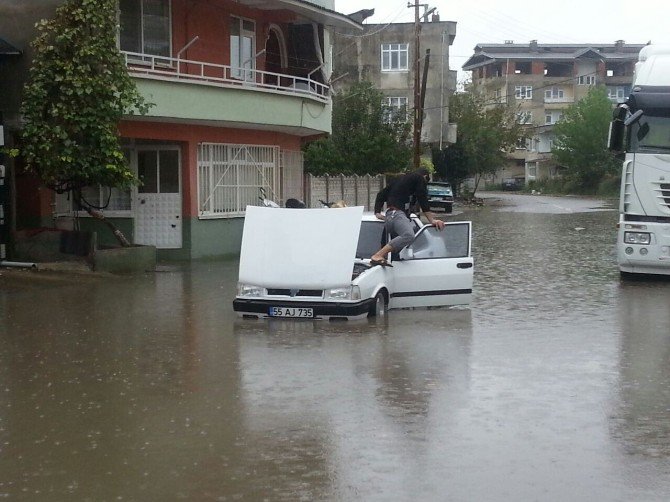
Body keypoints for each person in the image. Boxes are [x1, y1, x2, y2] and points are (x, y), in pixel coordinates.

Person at [370, 168, 445, 266]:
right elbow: (422, 198)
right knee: (408, 235)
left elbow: (381, 194)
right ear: (425, 177)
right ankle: (378, 255)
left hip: (391, 216)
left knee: (398, 240)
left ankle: (385, 258)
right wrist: (432, 220)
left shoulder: (400, 180)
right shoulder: (419, 178)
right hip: (396, 214)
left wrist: (377, 212)